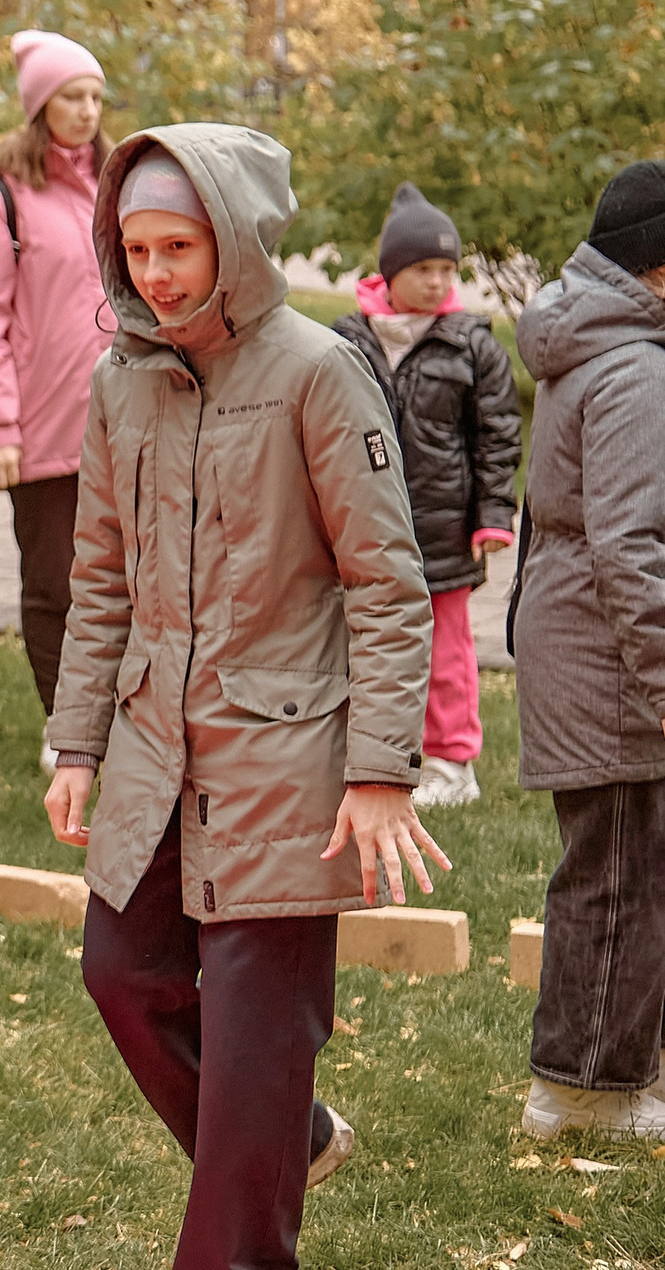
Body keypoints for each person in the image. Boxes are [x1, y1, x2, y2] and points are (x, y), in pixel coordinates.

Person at [43, 128, 445, 1270]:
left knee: (256, 1045)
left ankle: (250, 1183)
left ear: (235, 237)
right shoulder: (120, 381)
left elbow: (386, 584)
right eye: (137, 248)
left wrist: (379, 770)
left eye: (178, 245)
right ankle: (285, 1138)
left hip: (288, 757)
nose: (157, 273)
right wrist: (77, 742)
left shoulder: (318, 370)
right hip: (152, 747)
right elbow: (100, 579)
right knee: (121, 973)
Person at [507, 159, 665, 1140]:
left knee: (624, 874)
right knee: (615, 884)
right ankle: (580, 1093)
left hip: (585, 641)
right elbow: (628, 548)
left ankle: (619, 1076)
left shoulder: (597, 341)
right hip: (608, 661)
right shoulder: (635, 367)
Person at [331, 183, 520, 811]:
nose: (438, 281)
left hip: (443, 532)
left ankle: (452, 762)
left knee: (446, 655)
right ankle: (372, 755)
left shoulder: (473, 346)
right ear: (390, 273)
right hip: (362, 530)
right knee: (362, 645)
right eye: (423, 269)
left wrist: (493, 516)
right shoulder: (346, 341)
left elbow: (497, 437)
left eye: (447, 269)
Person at [0, 31, 113, 755]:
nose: (87, 111)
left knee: (130, 582)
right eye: (72, 96)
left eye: (96, 97)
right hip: (45, 431)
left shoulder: (118, 186)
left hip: (126, 422)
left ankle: (124, 717)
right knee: (56, 585)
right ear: (40, 105)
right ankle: (67, 725)